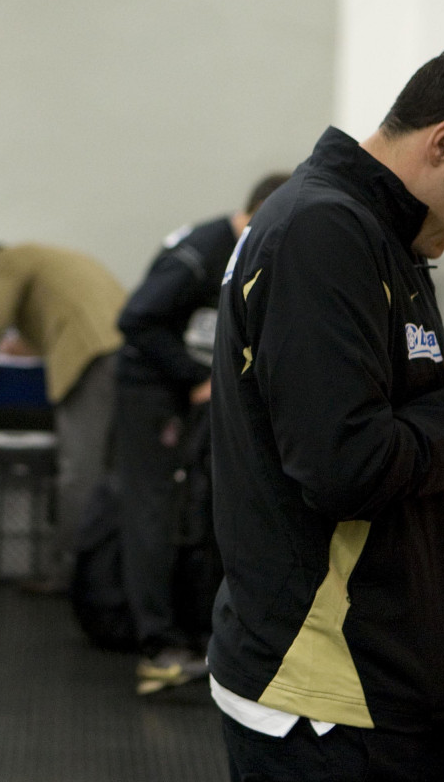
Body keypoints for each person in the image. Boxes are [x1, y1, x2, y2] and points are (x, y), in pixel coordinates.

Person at [208, 41, 444, 780]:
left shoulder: (384, 238)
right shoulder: (324, 232)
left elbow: (389, 453)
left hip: (368, 690)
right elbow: (344, 467)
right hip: (324, 701)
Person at [113, 172, 288, 695]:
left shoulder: (247, 253)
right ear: (259, 214)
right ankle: (157, 645)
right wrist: (195, 379)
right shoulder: (199, 253)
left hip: (185, 391)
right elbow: (136, 318)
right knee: (151, 509)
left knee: (191, 507)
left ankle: (188, 631)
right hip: (150, 391)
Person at [0, 243, 126, 593]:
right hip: (121, 351)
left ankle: (70, 574)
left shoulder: (4, 261)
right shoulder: (49, 258)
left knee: (80, 473)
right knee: (114, 470)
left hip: (91, 358)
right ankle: (111, 572)